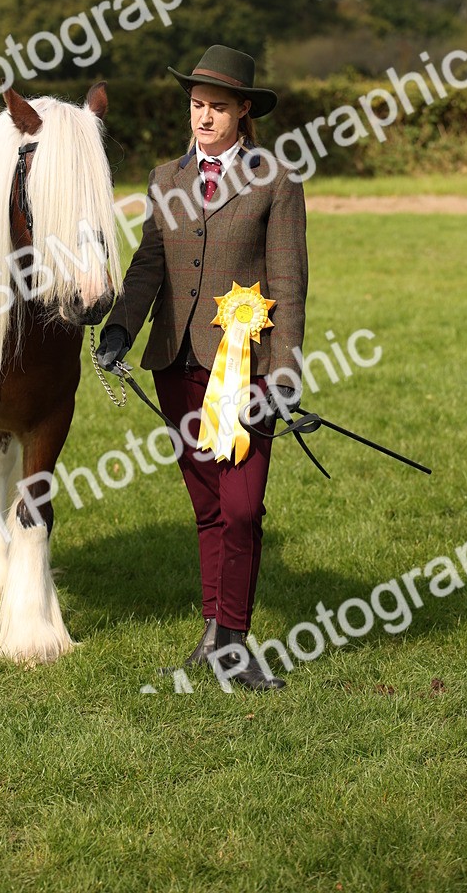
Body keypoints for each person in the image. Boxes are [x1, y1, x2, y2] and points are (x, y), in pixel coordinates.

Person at [96, 44, 308, 691]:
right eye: (197, 106)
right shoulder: (165, 180)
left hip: (246, 371)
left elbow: (290, 284)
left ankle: (233, 643)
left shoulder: (275, 179)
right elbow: (148, 267)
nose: (205, 117)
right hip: (175, 363)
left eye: (218, 107)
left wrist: (282, 379)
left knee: (242, 507)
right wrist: (120, 329)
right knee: (209, 505)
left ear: (244, 111)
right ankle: (219, 641)